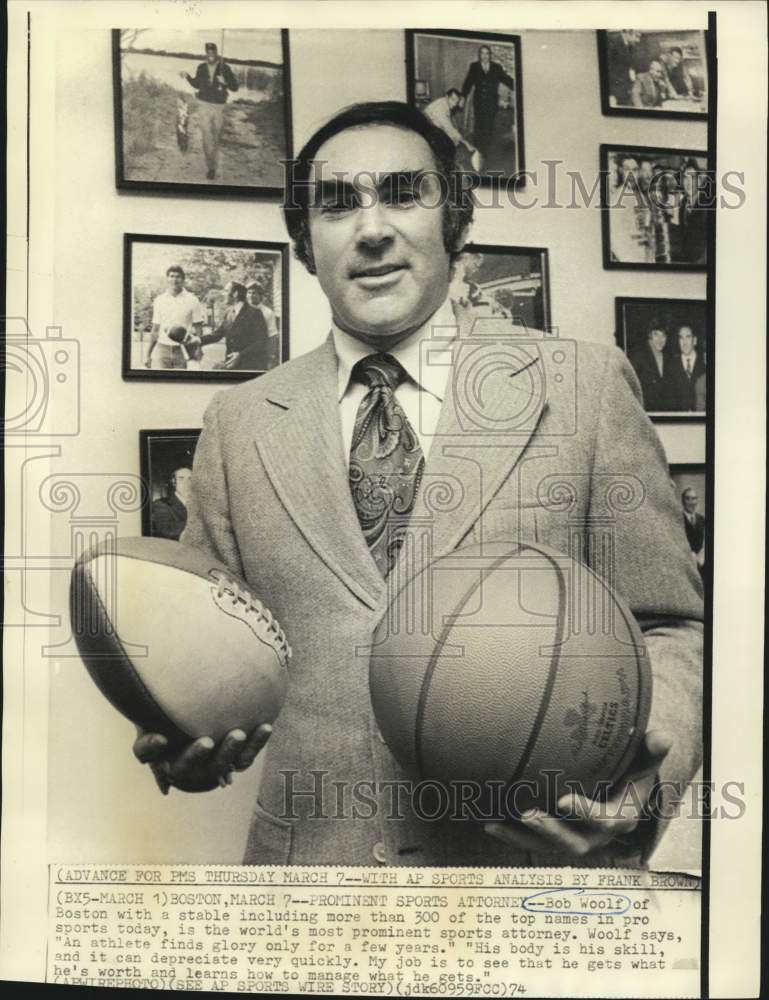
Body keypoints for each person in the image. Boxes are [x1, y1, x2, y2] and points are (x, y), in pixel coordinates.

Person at [134, 101, 702, 869]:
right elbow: (217, 648)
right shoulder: (238, 421)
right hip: (308, 890)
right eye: (337, 205)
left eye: (403, 194)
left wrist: (638, 788)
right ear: (305, 243)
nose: (371, 229)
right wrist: (180, 725)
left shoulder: (582, 386)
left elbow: (670, 628)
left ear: (454, 224)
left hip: (530, 882)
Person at [181, 42, 239, 180]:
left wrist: (225, 82)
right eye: (208, 52)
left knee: (216, 137)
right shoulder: (201, 67)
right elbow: (196, 84)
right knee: (207, 136)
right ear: (206, 53)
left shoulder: (225, 68)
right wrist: (187, 76)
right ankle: (211, 167)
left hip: (219, 107)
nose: (210, 55)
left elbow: (235, 87)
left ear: (216, 53)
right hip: (204, 105)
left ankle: (214, 161)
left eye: (213, 52)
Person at [196, 281, 271, 371]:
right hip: (231, 364)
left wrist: (241, 354)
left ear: (235, 293)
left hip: (250, 366)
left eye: (226, 291)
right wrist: (198, 340)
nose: (223, 294)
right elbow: (217, 334)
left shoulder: (255, 313)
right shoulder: (228, 312)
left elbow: (261, 341)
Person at [460, 45, 516, 163]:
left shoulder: (496, 67)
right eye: (482, 53)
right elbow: (468, 83)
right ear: (479, 55)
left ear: (490, 55)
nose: (484, 56)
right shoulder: (474, 67)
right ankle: (478, 152)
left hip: (491, 103)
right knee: (479, 127)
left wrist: (520, 84)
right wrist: (463, 97)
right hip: (479, 102)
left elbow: (507, 80)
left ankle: (484, 153)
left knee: (488, 128)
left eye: (487, 54)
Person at [145, 265, 204, 371]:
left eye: (178, 277)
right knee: (160, 383)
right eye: (171, 276)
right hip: (162, 349)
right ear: (167, 278)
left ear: (183, 279)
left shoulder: (193, 300)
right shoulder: (159, 300)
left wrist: (199, 348)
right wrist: (148, 354)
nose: (174, 280)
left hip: (183, 349)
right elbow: (155, 329)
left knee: (180, 383)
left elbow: (199, 328)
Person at [630, 322, 671, 412]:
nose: (660, 339)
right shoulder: (639, 355)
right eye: (656, 334)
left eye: (663, 336)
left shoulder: (667, 357)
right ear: (650, 335)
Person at [424, 88, 476, 158]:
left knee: (454, 139)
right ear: (447, 97)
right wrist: (466, 143)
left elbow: (447, 126)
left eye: (456, 101)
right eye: (453, 100)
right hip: (426, 129)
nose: (454, 104)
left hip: (432, 126)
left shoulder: (444, 103)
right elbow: (448, 127)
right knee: (450, 142)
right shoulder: (440, 107)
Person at [668, 325, 706, 411]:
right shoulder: (671, 366)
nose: (684, 342)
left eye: (688, 337)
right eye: (681, 338)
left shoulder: (704, 364)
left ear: (695, 340)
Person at [245, 280, 280, 368]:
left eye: (254, 293)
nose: (251, 296)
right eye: (249, 293)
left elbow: (272, 337)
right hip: (244, 353)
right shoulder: (243, 312)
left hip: (260, 353)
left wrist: (271, 358)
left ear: (260, 296)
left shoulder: (267, 312)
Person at [151, 466, 192, 541]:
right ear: (173, 482)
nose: (186, 483)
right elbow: (167, 530)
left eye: (190, 478)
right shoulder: (161, 504)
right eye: (181, 478)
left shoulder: (200, 506)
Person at [681, 487, 705, 579]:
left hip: (701, 563)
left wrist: (701, 556)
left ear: (697, 500)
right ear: (682, 501)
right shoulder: (678, 518)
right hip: (685, 563)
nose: (691, 502)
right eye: (688, 499)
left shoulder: (701, 519)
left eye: (694, 498)